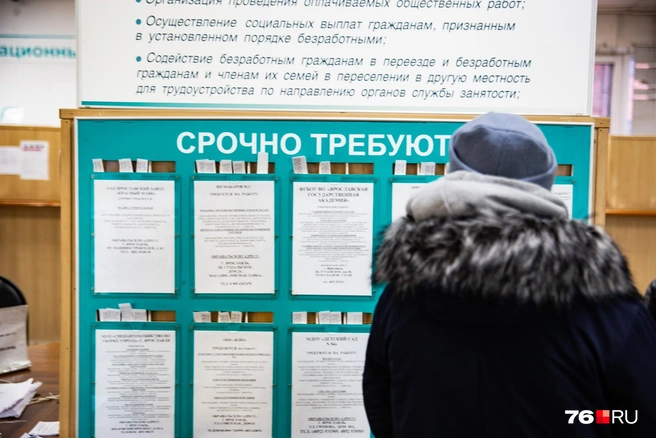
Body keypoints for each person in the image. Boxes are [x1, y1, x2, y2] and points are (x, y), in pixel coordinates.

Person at [363, 113, 656, 437]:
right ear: (546, 183)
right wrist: (582, 418)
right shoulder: (604, 303)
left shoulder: (402, 295)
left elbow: (381, 401)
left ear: (454, 173)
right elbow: (636, 416)